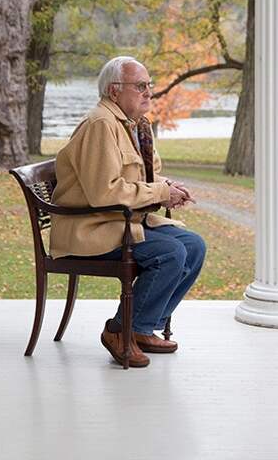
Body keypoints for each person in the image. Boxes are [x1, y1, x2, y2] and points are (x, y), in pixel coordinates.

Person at [50, 56, 206, 368]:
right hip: (93, 227)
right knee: (170, 253)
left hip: (122, 221)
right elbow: (104, 193)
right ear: (113, 91)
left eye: (149, 85)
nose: (149, 92)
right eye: (140, 86)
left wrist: (168, 187)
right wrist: (160, 192)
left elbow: (139, 179)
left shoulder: (132, 125)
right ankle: (119, 331)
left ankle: (142, 327)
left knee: (193, 246)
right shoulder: (100, 125)